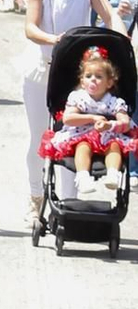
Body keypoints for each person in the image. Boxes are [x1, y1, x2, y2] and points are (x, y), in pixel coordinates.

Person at [21, 0, 115, 219]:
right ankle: (36, 197)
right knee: (39, 136)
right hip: (43, 69)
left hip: (76, 78)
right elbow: (30, 27)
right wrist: (54, 40)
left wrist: (122, 40)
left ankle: (69, 205)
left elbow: (109, 15)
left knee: (72, 136)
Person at [40, 44, 138, 202]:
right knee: (83, 147)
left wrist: (109, 125)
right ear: (82, 80)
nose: (93, 79)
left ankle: (113, 173)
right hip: (81, 134)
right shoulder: (78, 98)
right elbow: (68, 118)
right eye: (89, 76)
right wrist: (92, 118)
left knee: (115, 146)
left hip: (107, 136)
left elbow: (125, 122)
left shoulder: (114, 102)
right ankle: (83, 176)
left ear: (109, 82)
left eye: (99, 77)